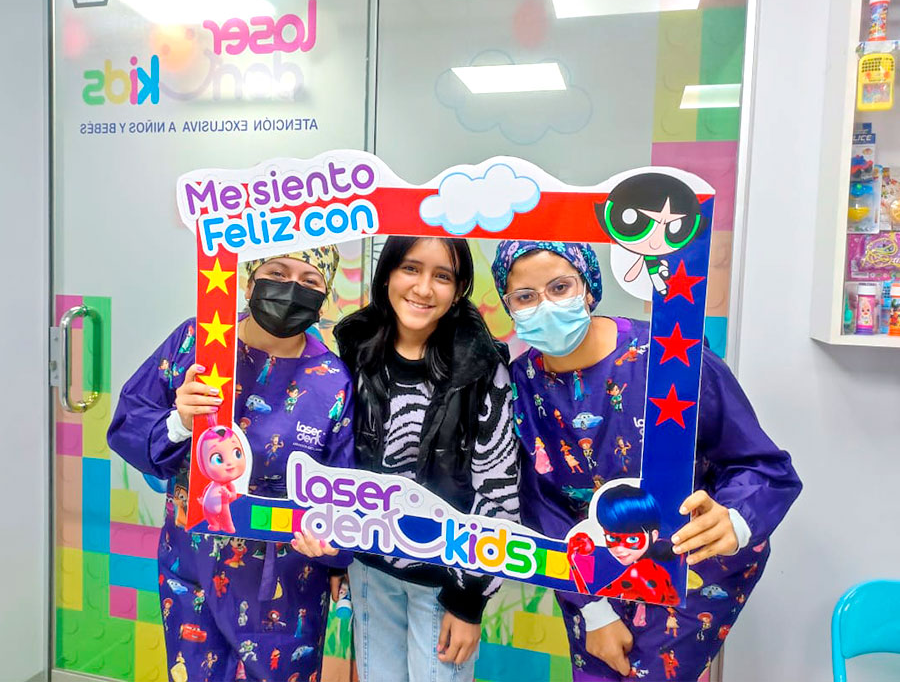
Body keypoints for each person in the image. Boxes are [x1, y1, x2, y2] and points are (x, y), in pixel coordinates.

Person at [490, 240, 802, 681]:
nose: (545, 306)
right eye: (525, 296)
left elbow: (764, 466)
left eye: (560, 287)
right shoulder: (521, 384)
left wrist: (734, 519)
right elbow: (541, 505)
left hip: (686, 564)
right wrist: (594, 612)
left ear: (588, 287)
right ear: (509, 306)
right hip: (587, 570)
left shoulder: (670, 357)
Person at [108, 246, 354, 682]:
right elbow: (129, 424)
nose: (291, 288)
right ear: (249, 279)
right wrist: (180, 421)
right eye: (277, 272)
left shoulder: (332, 380)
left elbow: (342, 488)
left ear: (324, 298)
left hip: (285, 585)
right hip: (192, 569)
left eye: (310, 281)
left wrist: (335, 551)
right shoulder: (197, 343)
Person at [292, 236, 519, 682]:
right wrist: (337, 556)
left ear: (459, 288)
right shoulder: (354, 348)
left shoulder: (482, 366)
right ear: (388, 274)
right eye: (411, 268)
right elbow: (335, 459)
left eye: (443, 276)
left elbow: (498, 489)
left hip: (446, 579)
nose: (423, 288)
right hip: (368, 568)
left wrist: (468, 601)